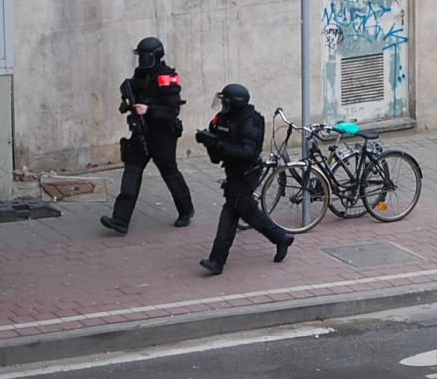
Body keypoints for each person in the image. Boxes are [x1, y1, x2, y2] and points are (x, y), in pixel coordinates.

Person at [194, 83, 294, 275]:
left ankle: (217, 261)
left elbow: (247, 152)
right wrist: (208, 140)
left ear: (235, 103)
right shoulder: (224, 118)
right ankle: (281, 238)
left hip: (246, 174)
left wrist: (216, 144)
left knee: (230, 215)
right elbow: (216, 154)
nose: (222, 105)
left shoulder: (251, 121)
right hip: (232, 172)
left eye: (225, 101)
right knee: (247, 213)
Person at [101, 37, 194, 234]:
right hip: (140, 132)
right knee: (131, 173)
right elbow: (130, 91)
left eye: (144, 56)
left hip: (162, 135)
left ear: (154, 56)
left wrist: (149, 110)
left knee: (170, 173)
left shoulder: (166, 77)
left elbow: (172, 110)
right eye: (140, 56)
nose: (141, 60)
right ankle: (120, 220)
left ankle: (186, 210)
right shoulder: (140, 74)